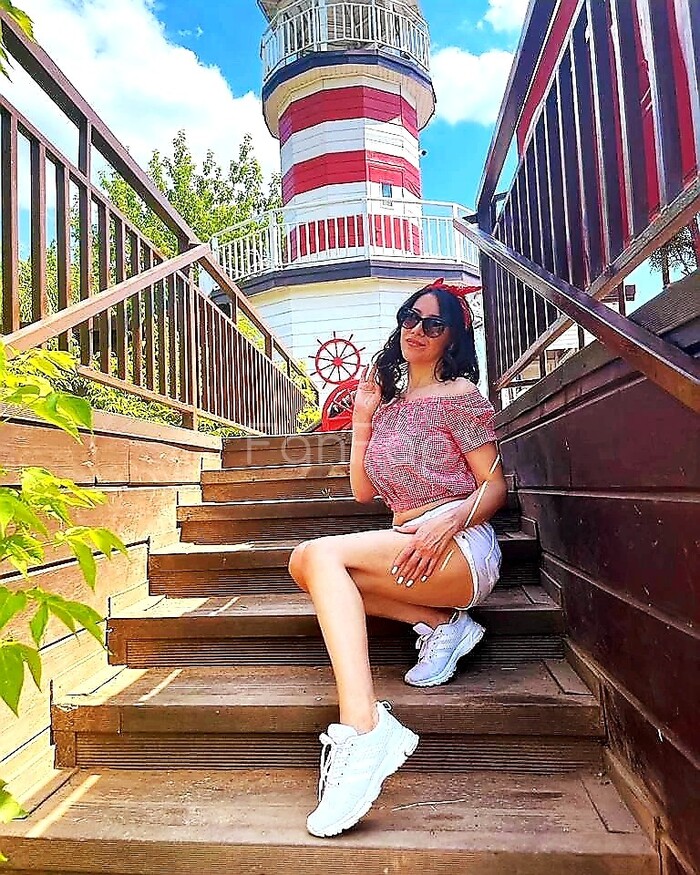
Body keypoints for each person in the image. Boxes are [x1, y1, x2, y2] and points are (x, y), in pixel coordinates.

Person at [288, 280, 507, 838]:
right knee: (307, 568)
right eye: (411, 317)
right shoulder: (388, 408)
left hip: (459, 544)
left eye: (434, 323)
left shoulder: (460, 396)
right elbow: (364, 491)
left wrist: (450, 520)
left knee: (317, 557)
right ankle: (442, 625)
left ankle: (363, 729)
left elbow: (495, 485)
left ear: (452, 338)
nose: (418, 329)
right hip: (405, 545)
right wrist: (363, 420)